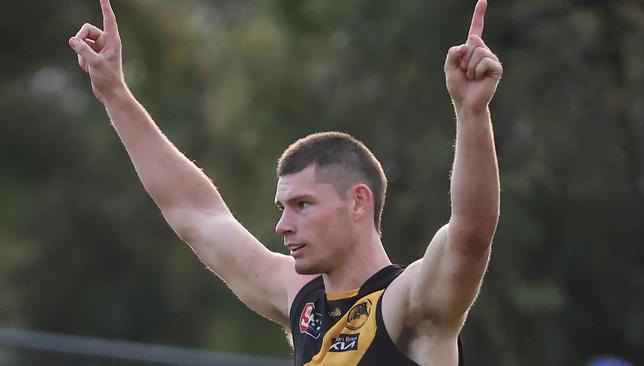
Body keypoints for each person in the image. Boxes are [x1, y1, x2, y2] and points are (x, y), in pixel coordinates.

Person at [69, 0, 502, 364]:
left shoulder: (407, 302)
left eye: (303, 205)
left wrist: (472, 112)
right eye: (283, 208)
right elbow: (196, 214)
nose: (283, 225)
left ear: (358, 202)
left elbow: (470, 235)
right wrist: (114, 93)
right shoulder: (303, 297)